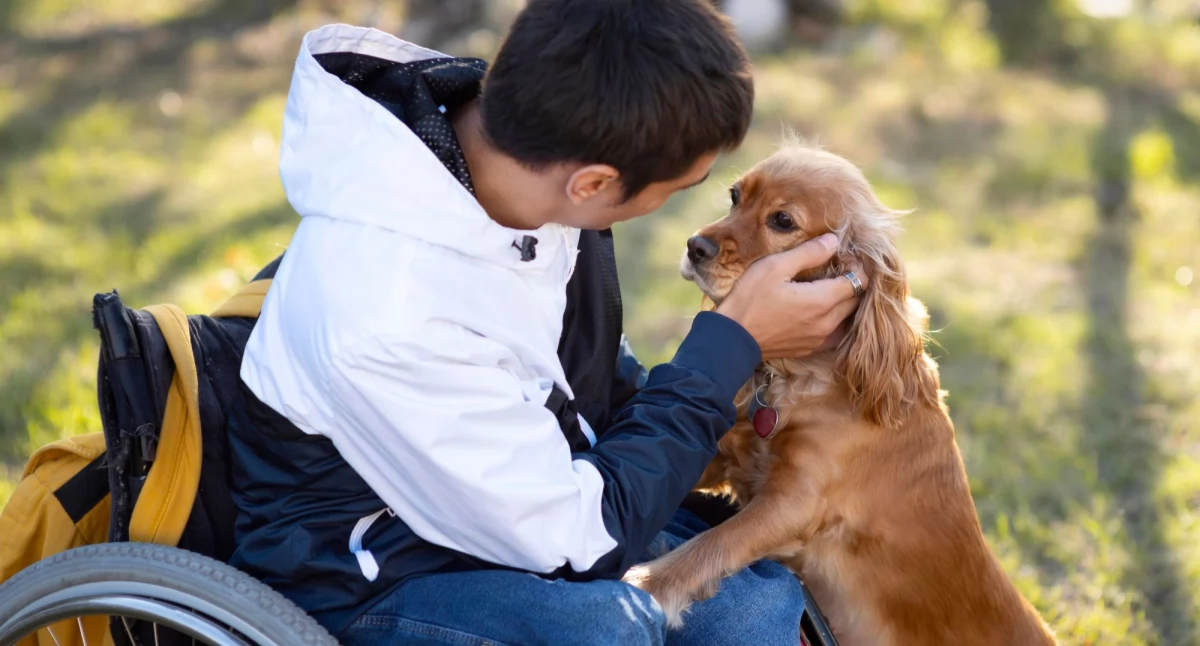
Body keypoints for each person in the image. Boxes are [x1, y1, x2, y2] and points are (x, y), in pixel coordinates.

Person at [226, 0, 864, 644]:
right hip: (376, 575)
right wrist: (730, 345)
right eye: (675, 190)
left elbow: (591, 393)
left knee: (756, 605)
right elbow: (580, 541)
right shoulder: (387, 313)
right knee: (609, 631)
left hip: (521, 496)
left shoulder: (530, 178)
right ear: (592, 184)